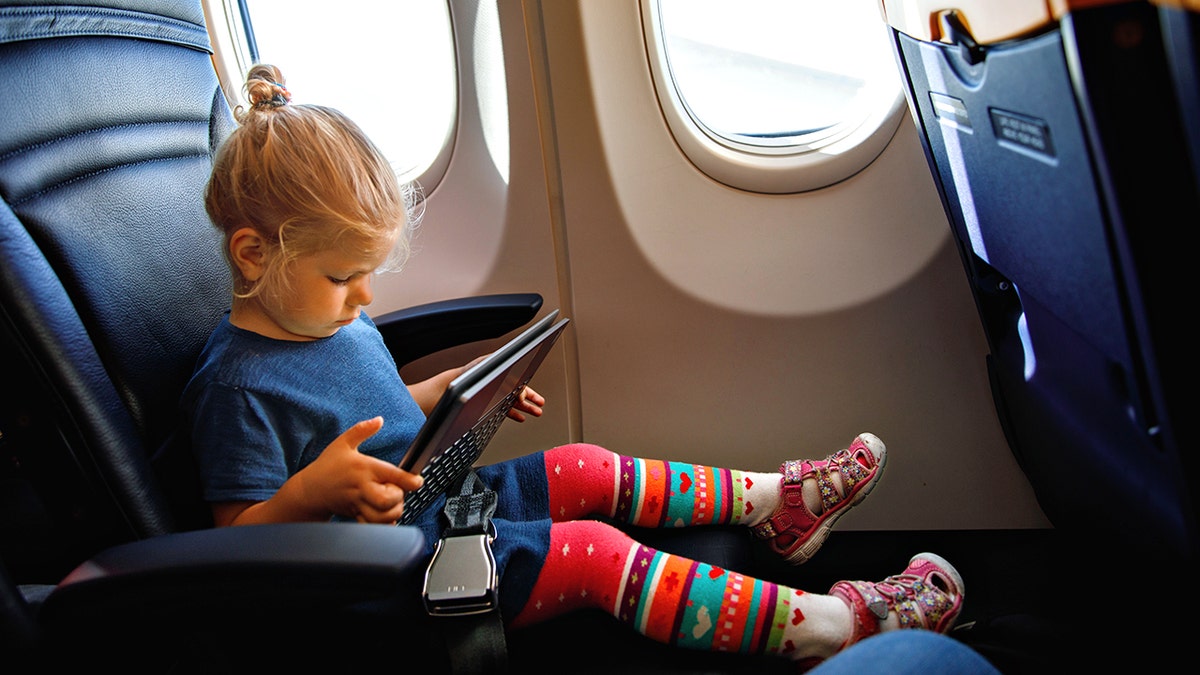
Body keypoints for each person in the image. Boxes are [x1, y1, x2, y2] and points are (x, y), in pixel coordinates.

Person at [181, 63, 966, 668]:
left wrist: (468, 391)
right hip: (386, 574)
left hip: (439, 504)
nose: (364, 296)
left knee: (583, 464)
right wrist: (312, 489)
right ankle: (835, 629)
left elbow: (385, 406)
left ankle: (781, 503)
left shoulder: (328, 320)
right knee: (595, 555)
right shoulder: (236, 387)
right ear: (255, 255)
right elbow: (236, 543)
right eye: (342, 277)